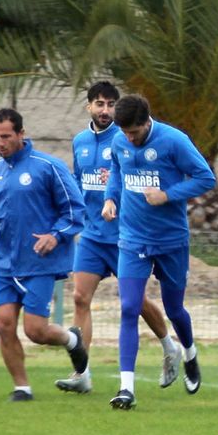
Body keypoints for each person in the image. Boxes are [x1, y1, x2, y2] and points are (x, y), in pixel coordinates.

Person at [0, 108, 90, 402]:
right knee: (4, 324)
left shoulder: (48, 166)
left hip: (39, 263)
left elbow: (75, 209)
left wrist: (55, 235)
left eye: (5, 136)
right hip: (4, 262)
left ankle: (71, 339)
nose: (0, 142)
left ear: (21, 134)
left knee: (36, 331)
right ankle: (22, 387)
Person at [57, 81, 181, 396]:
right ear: (88, 106)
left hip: (127, 236)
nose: (105, 110)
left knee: (135, 302)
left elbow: (143, 178)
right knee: (79, 298)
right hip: (92, 235)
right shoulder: (81, 141)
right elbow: (77, 180)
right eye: (99, 103)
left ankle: (169, 346)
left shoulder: (128, 138)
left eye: (110, 104)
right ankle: (81, 372)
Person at [101, 94, 216, 410]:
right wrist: (111, 199)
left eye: (134, 132)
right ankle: (126, 388)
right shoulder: (119, 140)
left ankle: (189, 354)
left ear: (147, 121)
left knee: (174, 308)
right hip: (132, 239)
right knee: (129, 306)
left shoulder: (174, 141)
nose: (129, 138)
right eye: (124, 133)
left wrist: (168, 194)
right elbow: (117, 170)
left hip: (171, 240)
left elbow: (206, 178)